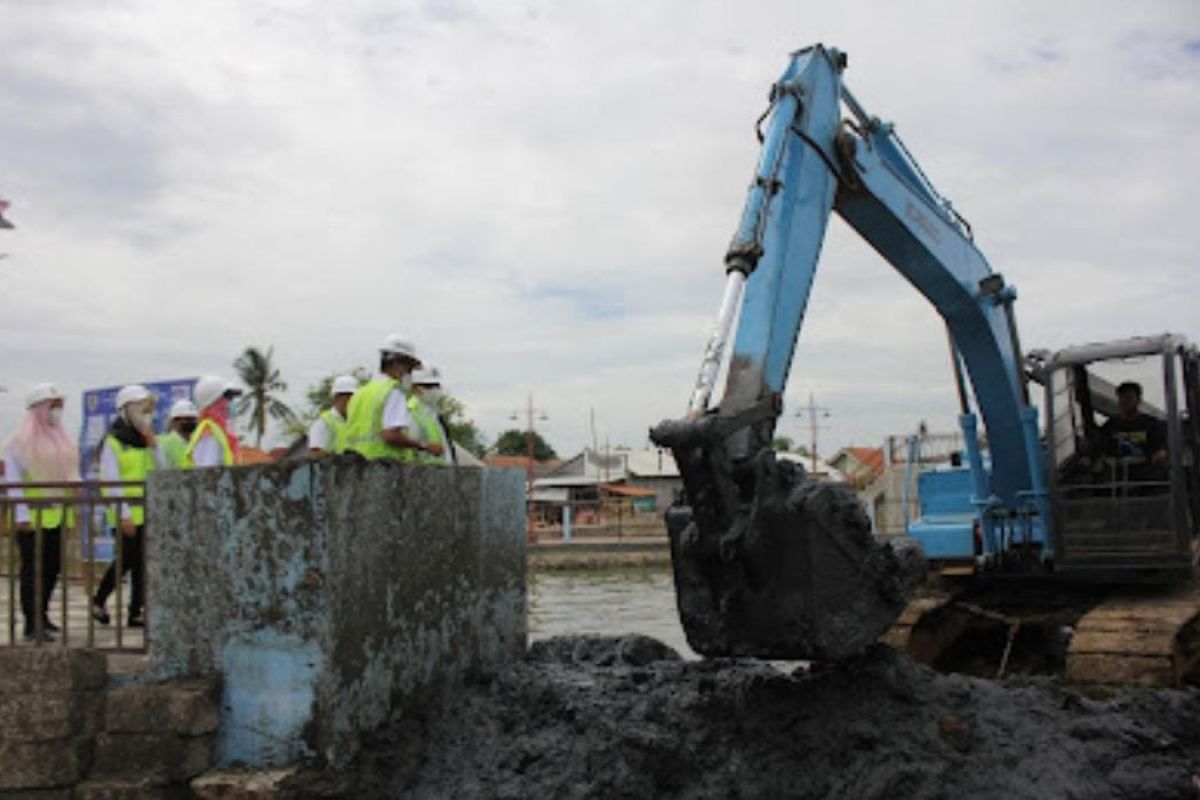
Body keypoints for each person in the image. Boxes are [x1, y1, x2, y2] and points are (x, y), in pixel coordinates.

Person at [2, 383, 79, 641]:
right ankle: (31, 622)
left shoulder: (62, 438)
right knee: (32, 571)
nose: (57, 411)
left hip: (57, 515)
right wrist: (21, 516)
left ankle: (43, 614)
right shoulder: (19, 443)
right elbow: (13, 482)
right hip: (32, 519)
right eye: (53, 406)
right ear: (39, 409)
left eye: (60, 406)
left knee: (52, 568)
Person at [92, 384, 161, 628]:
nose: (147, 414)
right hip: (125, 512)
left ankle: (136, 611)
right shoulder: (114, 441)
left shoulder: (145, 440)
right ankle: (99, 601)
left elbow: (161, 470)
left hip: (147, 511)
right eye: (143, 409)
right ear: (128, 410)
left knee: (142, 563)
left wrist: (154, 446)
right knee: (126, 561)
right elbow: (110, 481)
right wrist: (123, 515)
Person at [345, 334, 441, 461]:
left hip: (353, 467)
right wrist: (425, 446)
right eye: (410, 369)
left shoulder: (360, 393)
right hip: (383, 466)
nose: (410, 374)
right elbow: (391, 435)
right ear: (398, 364)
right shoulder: (393, 391)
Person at [1097, 381, 1168, 485]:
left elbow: (1161, 449)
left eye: (1129, 398)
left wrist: (1159, 455)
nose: (1125, 402)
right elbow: (1100, 446)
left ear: (1139, 400)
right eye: (1122, 398)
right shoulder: (1110, 425)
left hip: (1145, 479)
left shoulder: (1152, 424)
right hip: (1117, 480)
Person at [185, 375, 242, 468]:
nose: (231, 402)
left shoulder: (218, 431)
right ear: (213, 402)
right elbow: (206, 473)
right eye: (228, 397)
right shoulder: (209, 433)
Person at [408, 367, 454, 465]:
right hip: (422, 474)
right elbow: (409, 447)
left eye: (437, 385)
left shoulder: (433, 413)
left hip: (440, 473)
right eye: (429, 386)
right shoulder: (411, 412)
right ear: (415, 388)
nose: (434, 389)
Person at [308, 375, 356, 456]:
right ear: (337, 397)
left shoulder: (357, 421)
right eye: (347, 397)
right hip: (333, 468)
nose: (351, 401)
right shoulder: (323, 423)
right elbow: (316, 454)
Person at [160, 399, 198, 469]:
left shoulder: (198, 441)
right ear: (174, 421)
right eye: (187, 419)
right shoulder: (165, 444)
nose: (191, 422)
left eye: (193, 419)